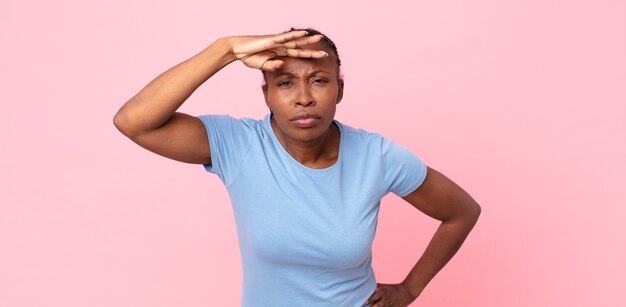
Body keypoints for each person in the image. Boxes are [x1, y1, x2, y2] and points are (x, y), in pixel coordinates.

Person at [113, 27, 481, 307]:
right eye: (285, 83)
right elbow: (134, 121)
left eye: (319, 81)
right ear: (266, 94)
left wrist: (408, 290)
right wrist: (223, 50)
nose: (303, 98)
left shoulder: (378, 156)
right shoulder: (239, 144)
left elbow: (461, 212)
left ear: (339, 89)